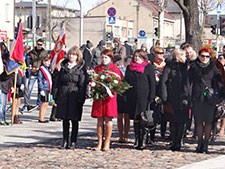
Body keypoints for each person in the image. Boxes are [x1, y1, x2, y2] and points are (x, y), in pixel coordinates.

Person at [189, 47, 225, 153]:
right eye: (202, 56)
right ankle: (199, 143)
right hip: (196, 96)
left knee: (208, 122)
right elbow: (188, 81)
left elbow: (219, 82)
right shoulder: (194, 67)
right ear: (199, 56)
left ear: (210, 57)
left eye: (207, 56)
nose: (204, 58)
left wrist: (221, 96)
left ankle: (205, 144)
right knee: (199, 122)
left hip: (209, 98)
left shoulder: (213, 67)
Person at [56, 47, 87, 149]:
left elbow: (82, 84)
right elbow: (58, 82)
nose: (71, 56)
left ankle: (73, 141)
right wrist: (55, 95)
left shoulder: (81, 68)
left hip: (75, 93)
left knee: (74, 120)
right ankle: (65, 140)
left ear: (77, 56)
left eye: (73, 55)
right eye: (70, 54)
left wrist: (81, 98)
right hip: (64, 93)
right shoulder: (64, 66)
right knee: (65, 119)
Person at [91, 49, 123, 151]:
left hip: (110, 98)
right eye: (103, 57)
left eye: (106, 57)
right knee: (99, 119)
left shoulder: (114, 69)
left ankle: (107, 142)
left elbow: (118, 83)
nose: (104, 59)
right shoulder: (97, 68)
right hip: (99, 97)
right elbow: (93, 81)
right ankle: (99, 142)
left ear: (110, 58)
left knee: (108, 119)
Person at [125, 49, 156, 150]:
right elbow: (126, 82)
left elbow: (152, 83)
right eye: (135, 56)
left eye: (139, 56)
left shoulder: (148, 67)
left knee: (143, 118)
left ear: (143, 58)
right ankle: (137, 139)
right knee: (135, 119)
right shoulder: (130, 68)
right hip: (132, 96)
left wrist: (152, 97)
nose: (137, 58)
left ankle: (143, 140)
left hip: (144, 97)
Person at [160, 49, 189, 151]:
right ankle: (173, 141)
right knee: (173, 121)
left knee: (181, 121)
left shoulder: (186, 66)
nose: (185, 57)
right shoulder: (169, 66)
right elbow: (163, 82)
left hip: (184, 98)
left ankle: (178, 142)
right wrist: (164, 97)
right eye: (183, 55)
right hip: (172, 97)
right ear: (177, 57)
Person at [149, 46, 166, 142]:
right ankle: (152, 135)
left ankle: (163, 133)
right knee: (153, 113)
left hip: (162, 90)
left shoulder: (166, 64)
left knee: (164, 113)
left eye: (161, 53)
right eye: (157, 53)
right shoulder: (151, 65)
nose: (159, 55)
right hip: (154, 90)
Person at [180, 43, 197, 138]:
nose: (189, 54)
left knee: (195, 112)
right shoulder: (181, 63)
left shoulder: (196, 62)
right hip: (184, 90)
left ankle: (195, 131)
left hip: (195, 90)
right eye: (187, 52)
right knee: (185, 112)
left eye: (190, 52)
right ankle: (186, 129)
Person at [27, 39, 48, 109]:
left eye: (41, 45)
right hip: (33, 72)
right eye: (38, 44)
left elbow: (46, 61)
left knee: (40, 89)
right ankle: (27, 103)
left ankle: (38, 104)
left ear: (43, 45)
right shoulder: (32, 52)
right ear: (36, 44)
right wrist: (30, 67)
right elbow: (29, 60)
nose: (39, 46)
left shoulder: (44, 53)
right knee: (29, 88)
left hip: (41, 73)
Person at [37, 56, 52, 123]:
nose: (48, 63)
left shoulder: (47, 69)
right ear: (43, 61)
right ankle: (41, 117)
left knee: (46, 102)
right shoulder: (41, 69)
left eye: (49, 61)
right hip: (44, 87)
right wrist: (41, 89)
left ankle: (43, 116)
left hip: (48, 87)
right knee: (43, 103)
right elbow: (40, 80)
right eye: (46, 61)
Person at [0, 43, 12, 125]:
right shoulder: (1, 66)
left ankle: (3, 118)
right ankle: (1, 119)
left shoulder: (7, 67)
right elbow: (3, 76)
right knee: (1, 104)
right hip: (1, 86)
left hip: (6, 86)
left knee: (4, 104)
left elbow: (9, 76)